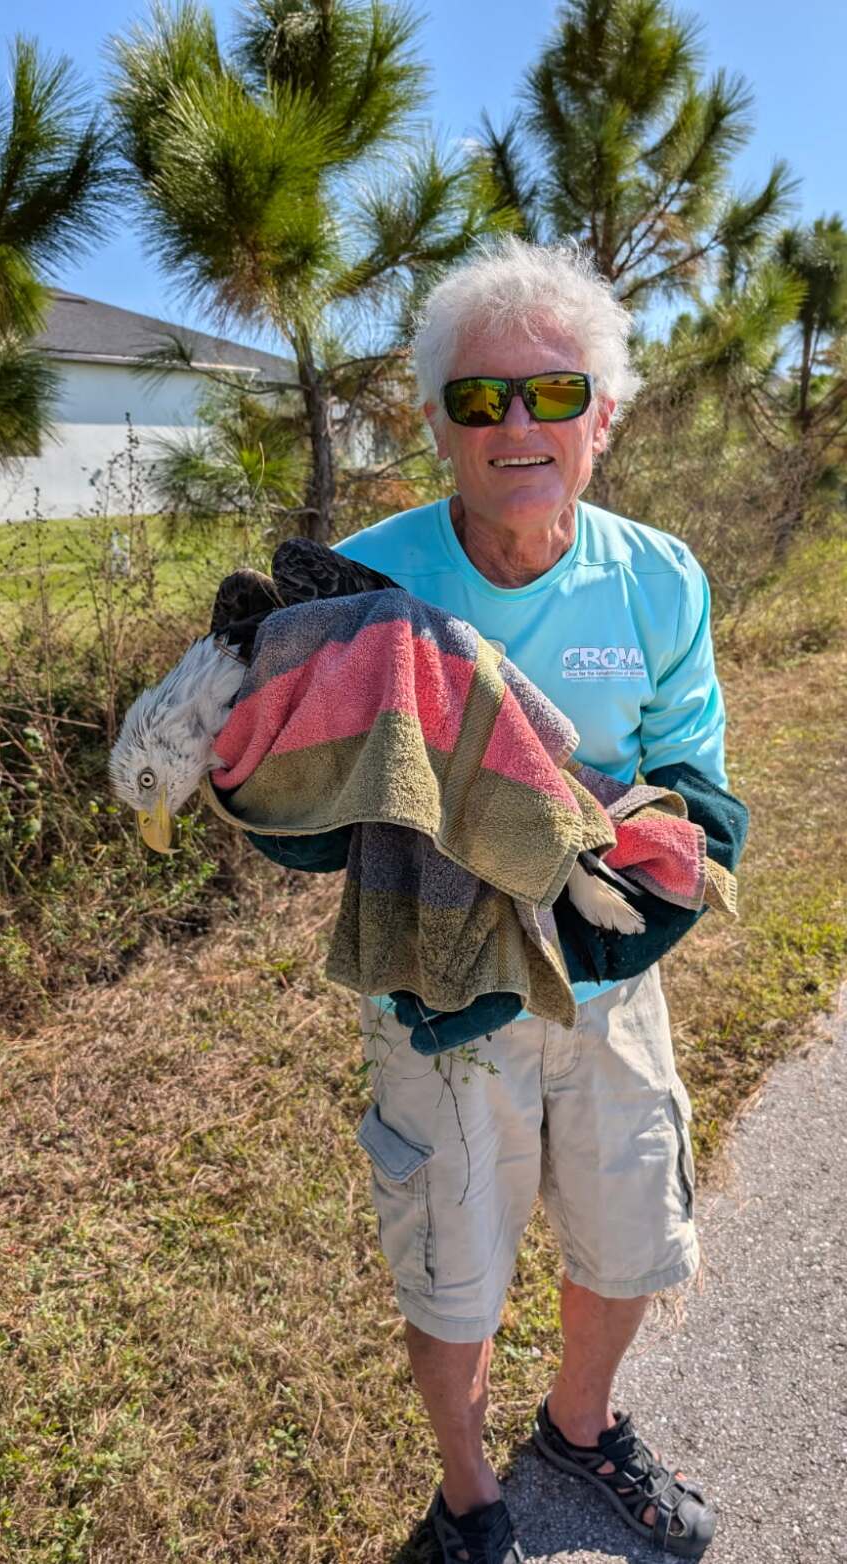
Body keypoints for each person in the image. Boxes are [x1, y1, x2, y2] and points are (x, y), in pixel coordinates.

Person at [327, 237, 733, 1564]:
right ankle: (468, 1496)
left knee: (630, 1231)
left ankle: (578, 1424)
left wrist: (659, 866)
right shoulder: (364, 583)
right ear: (435, 422)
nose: (516, 424)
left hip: (610, 982)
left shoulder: (658, 577)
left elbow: (694, 779)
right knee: (453, 1269)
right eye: (479, 396)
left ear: (601, 419)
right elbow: (311, 792)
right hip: (441, 994)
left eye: (554, 393)